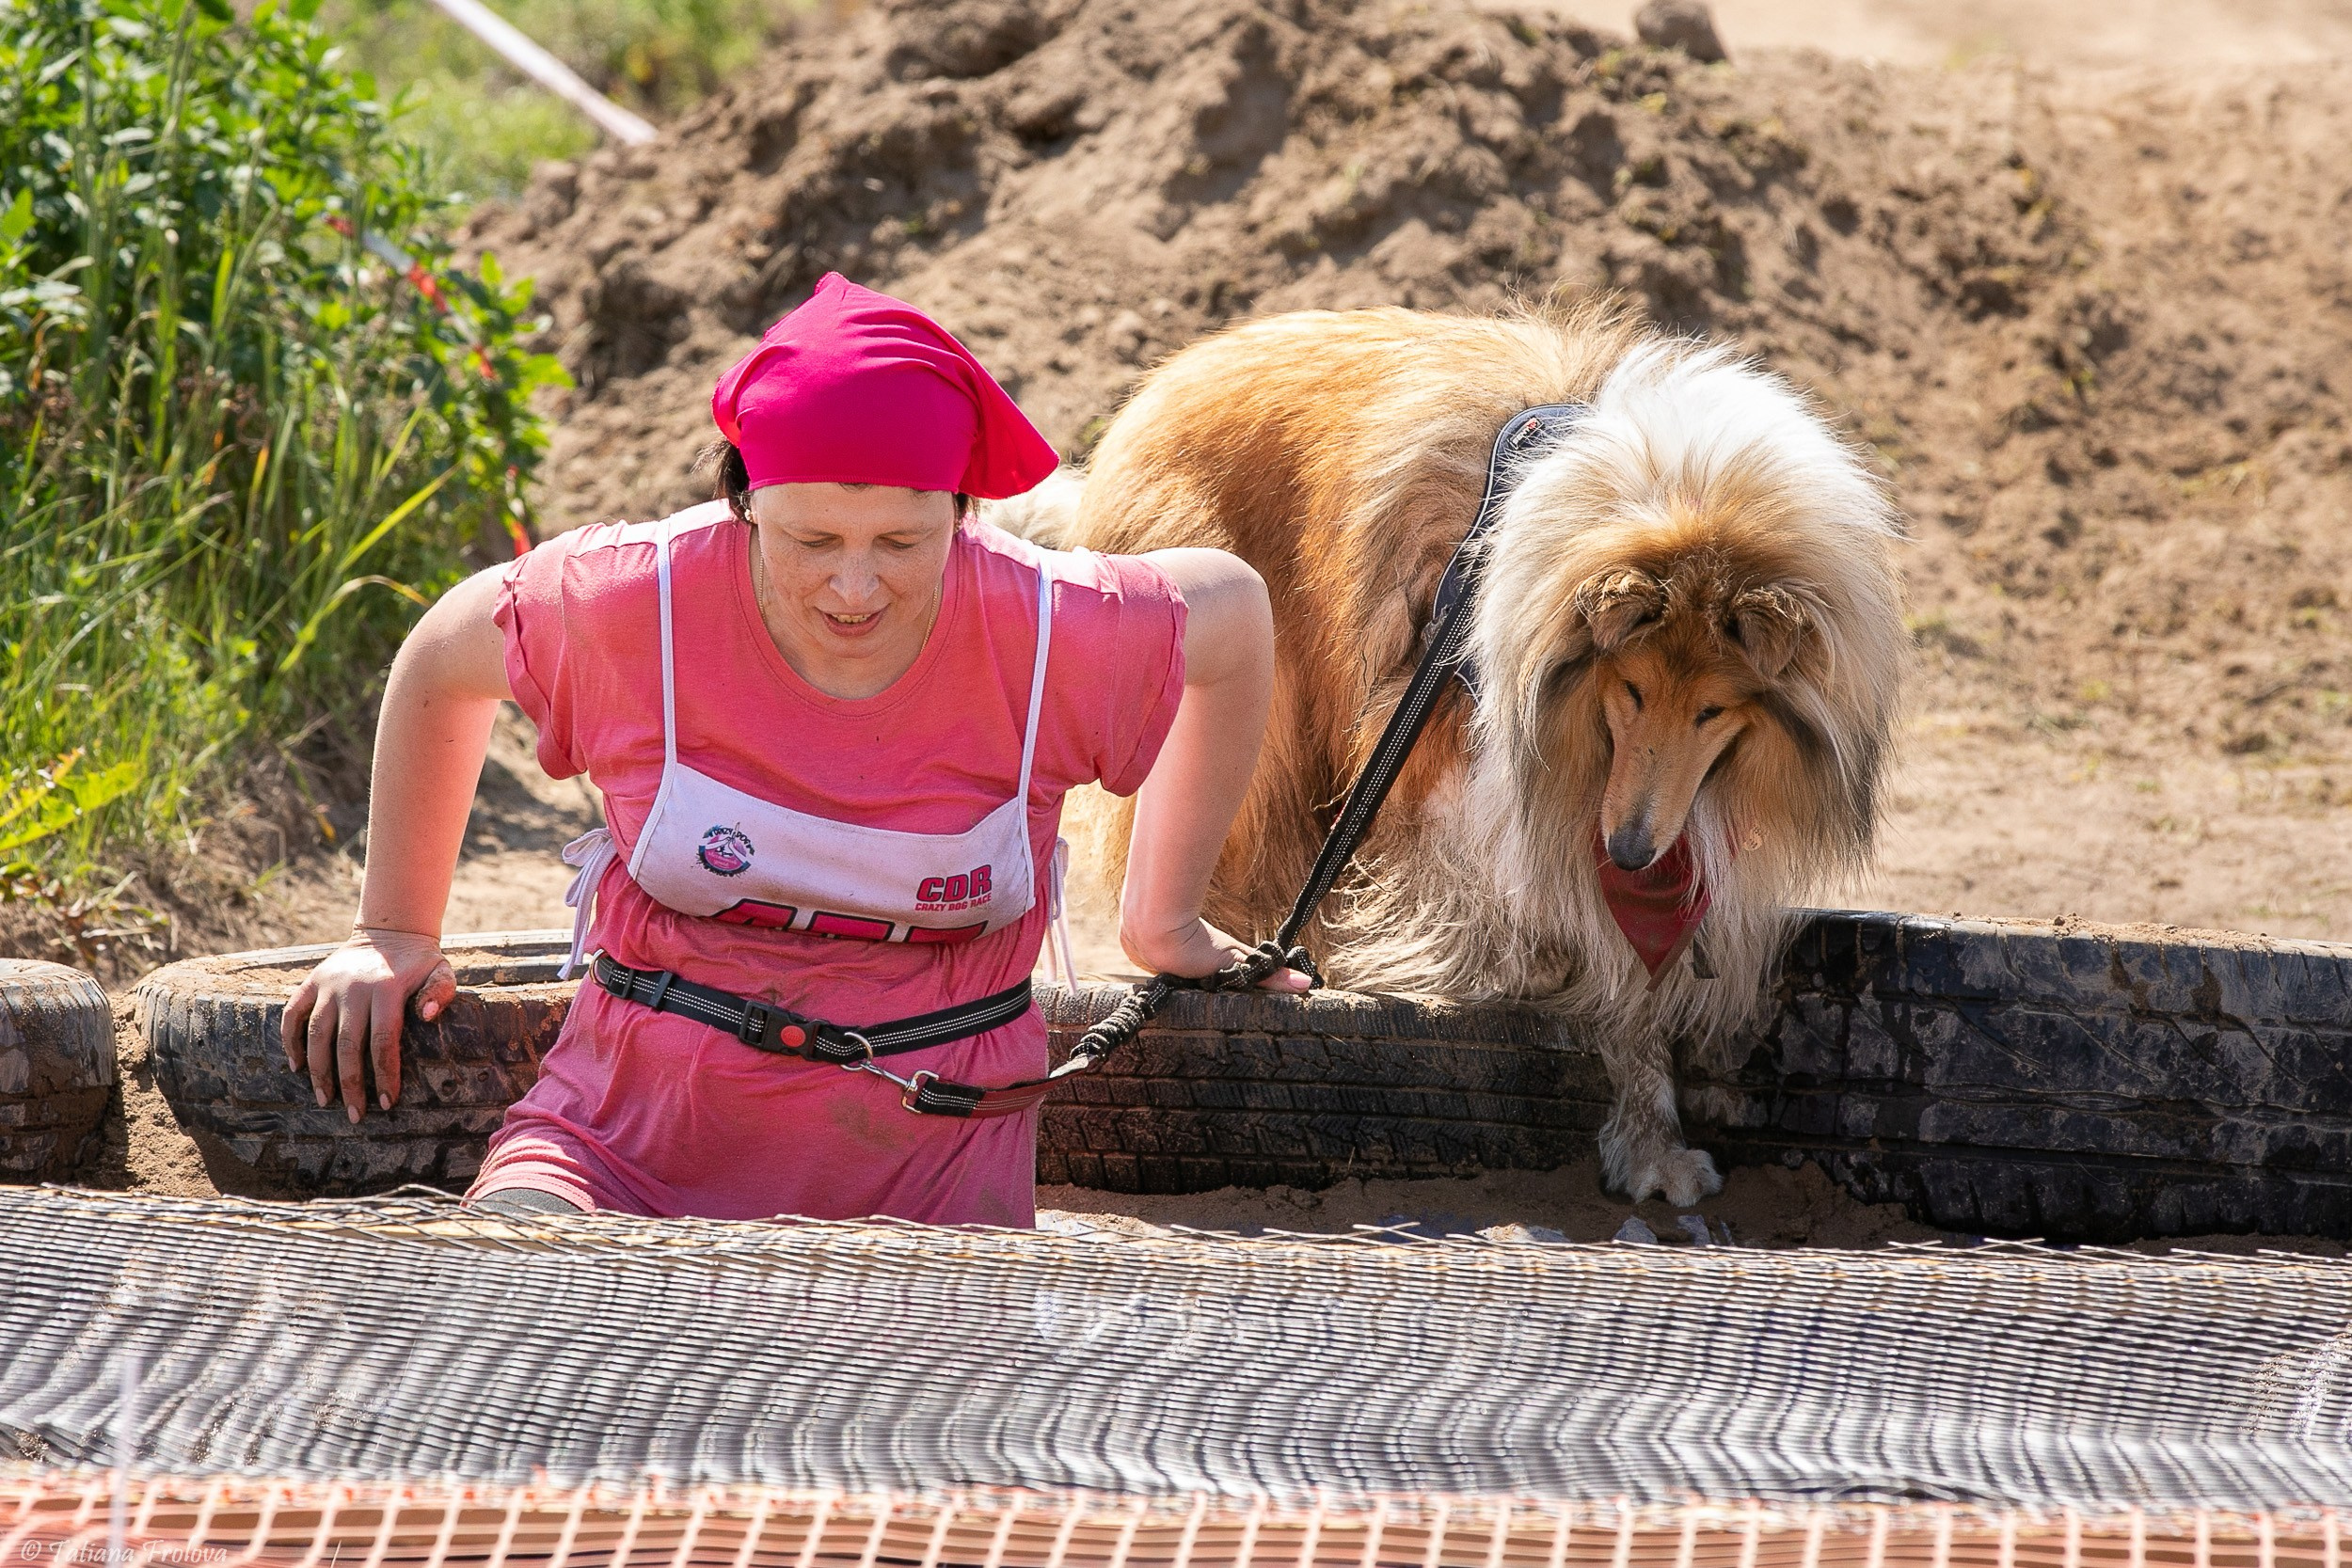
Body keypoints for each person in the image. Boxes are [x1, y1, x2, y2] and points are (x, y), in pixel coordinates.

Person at [278, 274, 1304, 1224]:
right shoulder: (641, 601)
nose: (854, 588)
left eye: (901, 543)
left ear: (961, 512)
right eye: (811, 541)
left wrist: (1163, 918)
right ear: (744, 503)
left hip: (930, 1176)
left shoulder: (1045, 629)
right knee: (507, 1299)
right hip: (622, 1145)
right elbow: (442, 656)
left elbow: (1235, 608)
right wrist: (392, 930)